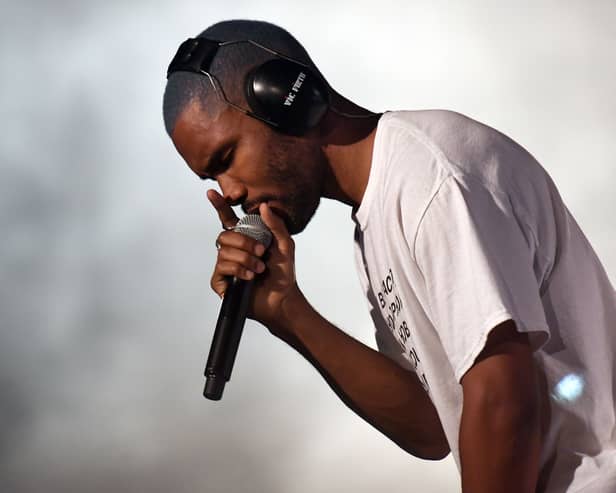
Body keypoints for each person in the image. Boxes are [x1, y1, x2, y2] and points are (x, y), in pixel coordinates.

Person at [163, 19, 616, 493]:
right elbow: (431, 426)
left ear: (285, 100)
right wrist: (288, 313)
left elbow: (503, 401)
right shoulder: (377, 214)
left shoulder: (429, 177)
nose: (230, 192)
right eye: (212, 179)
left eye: (226, 158)